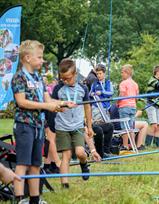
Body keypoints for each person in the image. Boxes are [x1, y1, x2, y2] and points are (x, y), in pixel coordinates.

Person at [11, 40, 70, 204]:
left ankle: (35, 200)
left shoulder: (38, 78)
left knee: (36, 164)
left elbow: (48, 99)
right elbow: (22, 102)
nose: (42, 60)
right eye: (39, 57)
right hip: (24, 126)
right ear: (28, 58)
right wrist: (47, 106)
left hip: (38, 126)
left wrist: (61, 104)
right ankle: (19, 199)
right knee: (23, 163)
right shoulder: (19, 77)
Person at [52, 58, 94, 189]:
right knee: (67, 155)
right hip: (62, 126)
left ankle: (84, 164)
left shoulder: (83, 88)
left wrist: (89, 126)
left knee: (80, 152)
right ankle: (64, 183)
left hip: (77, 126)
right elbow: (52, 104)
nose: (65, 81)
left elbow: (87, 107)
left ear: (75, 74)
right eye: (63, 78)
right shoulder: (58, 88)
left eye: (68, 78)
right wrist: (58, 106)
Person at [117, 64, 139, 150]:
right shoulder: (135, 84)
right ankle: (133, 146)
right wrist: (133, 103)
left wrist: (117, 102)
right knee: (131, 127)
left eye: (122, 73)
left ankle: (125, 146)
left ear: (127, 73)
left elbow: (122, 94)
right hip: (133, 107)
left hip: (124, 106)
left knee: (124, 127)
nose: (121, 74)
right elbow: (137, 97)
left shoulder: (123, 83)